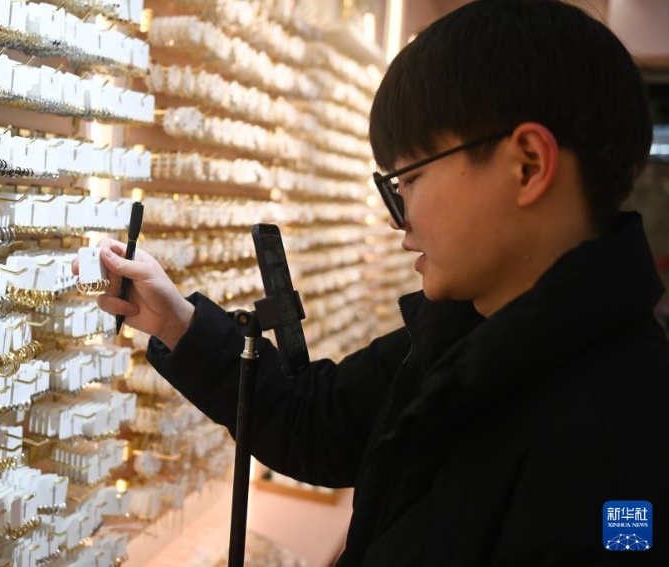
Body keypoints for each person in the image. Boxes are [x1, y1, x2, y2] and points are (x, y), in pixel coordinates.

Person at [75, 0, 669, 564]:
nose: (400, 222)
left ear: (527, 166)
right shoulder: (465, 333)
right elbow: (318, 426)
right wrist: (176, 321)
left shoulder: (618, 451)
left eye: (406, 181)